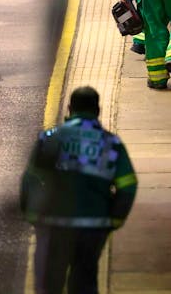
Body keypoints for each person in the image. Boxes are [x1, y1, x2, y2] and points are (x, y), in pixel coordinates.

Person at [20, 86, 137, 294]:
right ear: (98, 110)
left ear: (69, 108)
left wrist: (32, 215)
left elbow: (31, 179)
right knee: (84, 282)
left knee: (49, 283)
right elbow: (128, 185)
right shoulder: (111, 144)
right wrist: (114, 220)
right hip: (93, 225)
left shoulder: (49, 139)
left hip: (53, 223)